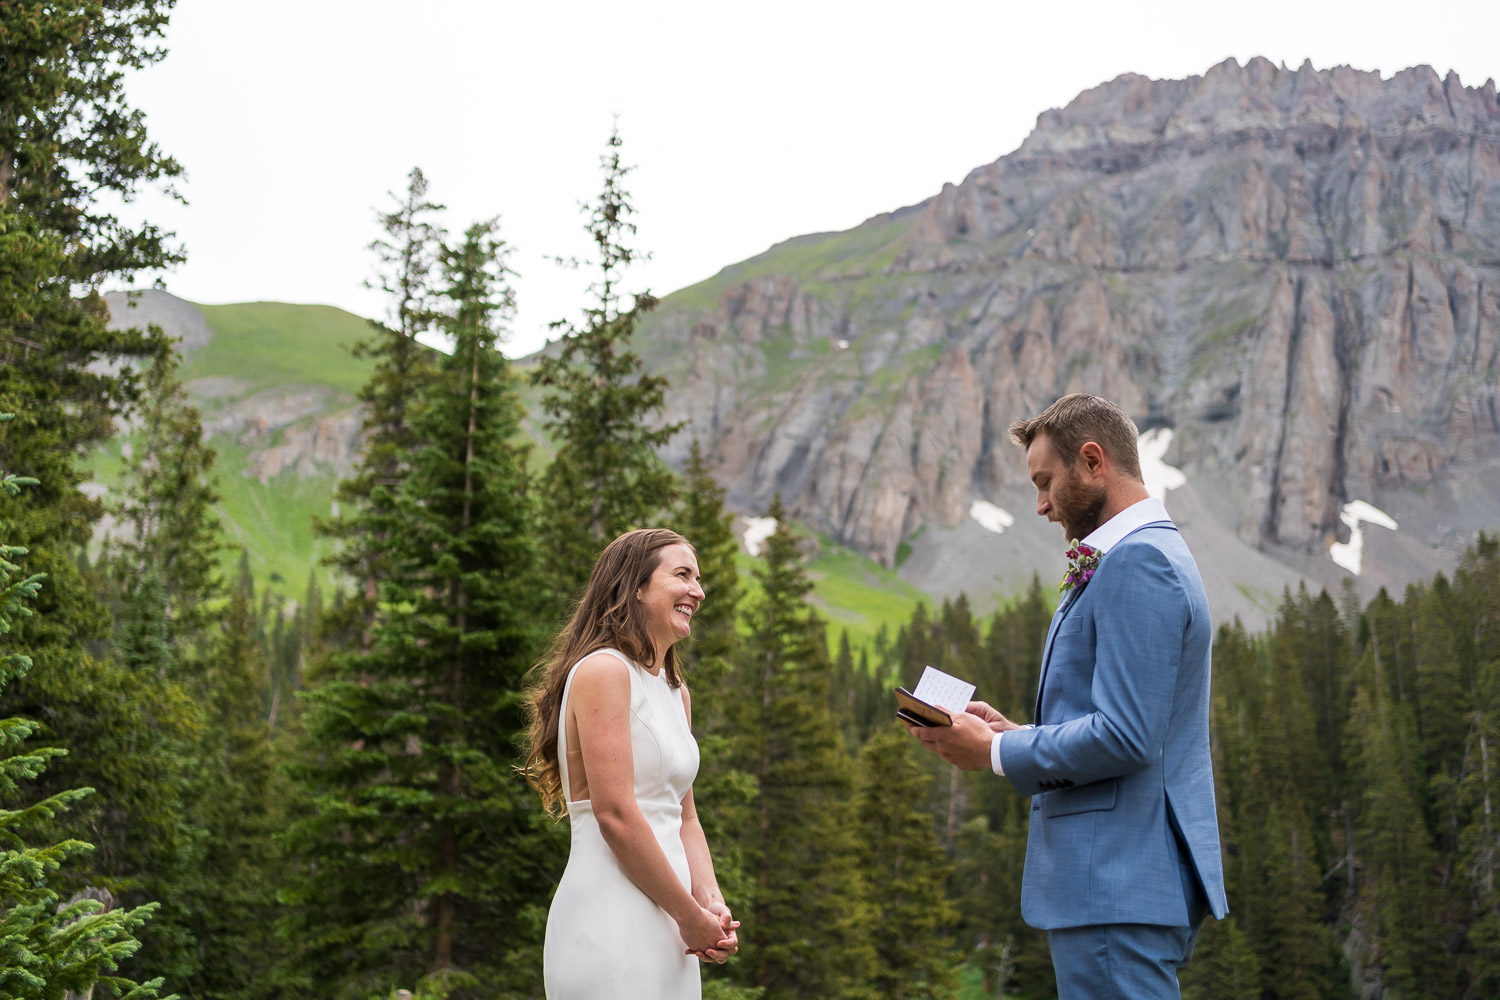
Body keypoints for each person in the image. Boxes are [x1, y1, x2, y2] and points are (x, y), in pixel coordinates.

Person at [909, 393, 1227, 999]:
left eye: (1046, 482)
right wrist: (1011, 734)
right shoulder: (1142, 554)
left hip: (1116, 877)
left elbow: (1127, 736)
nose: (1040, 505)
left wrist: (996, 756)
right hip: (1117, 882)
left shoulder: (1140, 564)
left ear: (1092, 460)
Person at [523, 528, 739, 999]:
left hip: (673, 922)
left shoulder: (675, 691)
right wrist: (688, 916)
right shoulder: (603, 670)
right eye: (681, 575)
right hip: (611, 914)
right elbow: (616, 815)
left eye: (699, 579)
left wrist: (710, 904)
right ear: (636, 586)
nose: (698, 592)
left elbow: (685, 816)